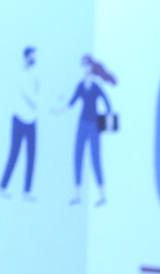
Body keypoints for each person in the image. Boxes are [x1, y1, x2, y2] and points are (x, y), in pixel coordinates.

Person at [55, 54, 115, 206]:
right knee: (78, 156)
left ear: (90, 67)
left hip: (94, 125)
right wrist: (59, 110)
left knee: (96, 159)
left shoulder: (95, 86)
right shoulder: (81, 86)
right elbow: (72, 101)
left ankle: (102, 195)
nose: (85, 69)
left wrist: (108, 123)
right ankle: (77, 194)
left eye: (86, 65)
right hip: (82, 124)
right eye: (83, 66)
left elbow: (107, 103)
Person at [0, 46, 39, 200]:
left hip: (32, 120)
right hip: (19, 119)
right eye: (33, 56)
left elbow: (37, 93)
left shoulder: (35, 74)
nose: (35, 58)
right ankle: (2, 187)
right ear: (26, 57)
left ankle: (27, 191)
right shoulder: (19, 74)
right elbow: (31, 96)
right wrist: (37, 101)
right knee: (14, 154)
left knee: (31, 156)